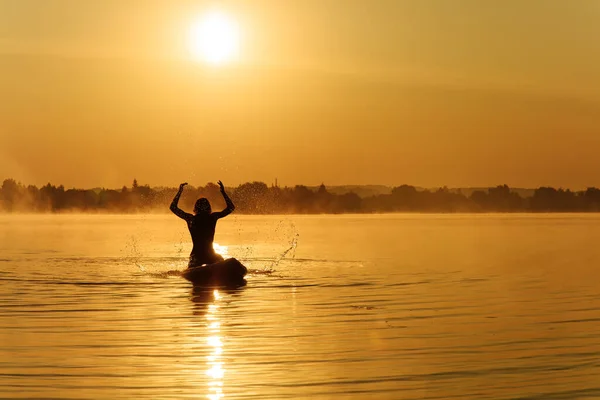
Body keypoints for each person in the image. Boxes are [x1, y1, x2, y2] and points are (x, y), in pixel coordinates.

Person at [170, 181, 235, 268]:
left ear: (195, 208)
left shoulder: (191, 218)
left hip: (198, 256)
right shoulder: (212, 217)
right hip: (207, 256)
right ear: (209, 208)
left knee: (217, 259)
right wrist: (222, 192)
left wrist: (180, 191)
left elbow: (173, 207)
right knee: (219, 259)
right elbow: (231, 208)